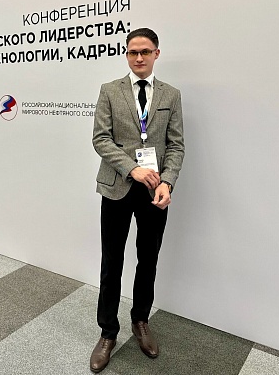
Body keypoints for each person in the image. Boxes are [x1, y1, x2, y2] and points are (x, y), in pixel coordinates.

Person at [90, 27, 185, 373]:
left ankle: (140, 320)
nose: (139, 57)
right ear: (127, 55)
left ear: (156, 53)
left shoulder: (171, 94)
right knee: (111, 261)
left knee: (148, 259)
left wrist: (168, 182)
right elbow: (101, 139)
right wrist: (133, 169)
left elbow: (175, 145)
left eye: (145, 51)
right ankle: (108, 332)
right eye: (133, 52)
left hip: (154, 192)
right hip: (117, 187)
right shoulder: (109, 90)